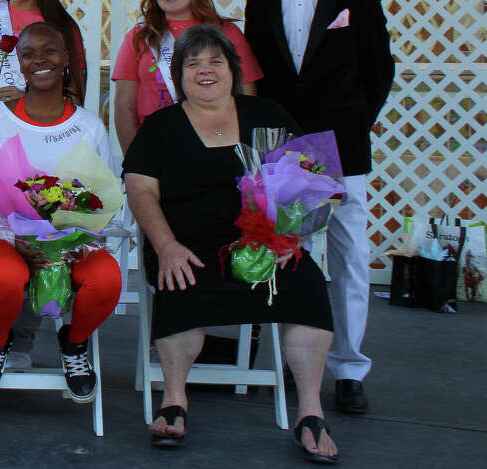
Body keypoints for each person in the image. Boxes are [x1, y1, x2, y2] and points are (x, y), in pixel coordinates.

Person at [124, 24, 338, 463]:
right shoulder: (161, 127)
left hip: (265, 246)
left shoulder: (268, 114)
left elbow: (308, 179)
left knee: (308, 287)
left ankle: (310, 414)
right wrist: (165, 245)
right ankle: (175, 400)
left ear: (232, 70)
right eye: (193, 64)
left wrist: (287, 238)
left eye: (215, 62)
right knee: (180, 284)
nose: (205, 71)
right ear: (178, 75)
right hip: (186, 247)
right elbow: (140, 189)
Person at [243, 0, 394, 416]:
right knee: (286, 254)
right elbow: (259, 81)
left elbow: (379, 71)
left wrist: (352, 126)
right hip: (287, 152)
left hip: (345, 148)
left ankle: (350, 367)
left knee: (350, 255)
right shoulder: (259, 2)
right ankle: (293, 356)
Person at [0, 22, 122, 405]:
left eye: (50, 51)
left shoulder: (88, 126)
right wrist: (12, 235)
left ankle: (75, 343)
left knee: (105, 278)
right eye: (29, 54)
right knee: (6, 274)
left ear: (66, 59)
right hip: (1, 240)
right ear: (19, 62)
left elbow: (106, 195)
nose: (40, 61)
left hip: (70, 242)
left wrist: (71, 239)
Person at [112, 0, 262, 153]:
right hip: (157, 146)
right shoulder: (139, 37)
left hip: (217, 140)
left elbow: (248, 99)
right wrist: (133, 161)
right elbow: (123, 108)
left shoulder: (227, 32)